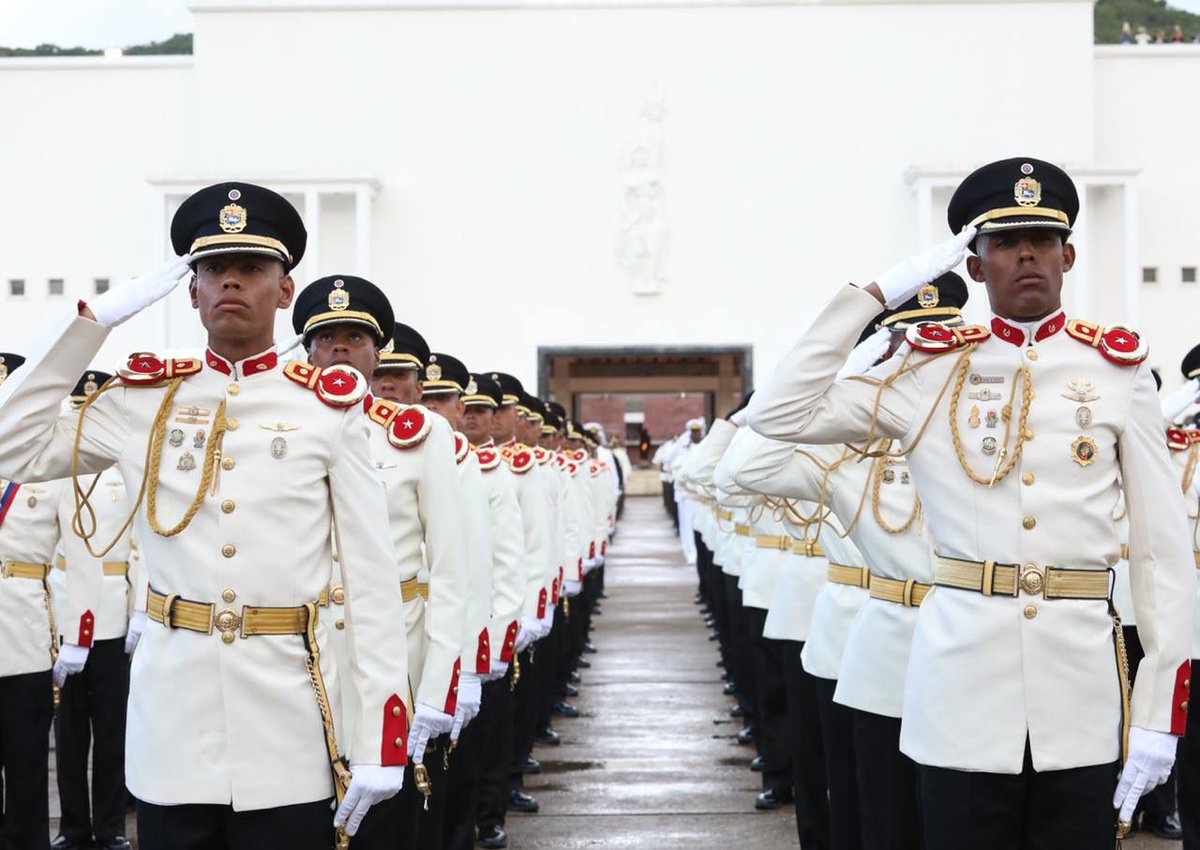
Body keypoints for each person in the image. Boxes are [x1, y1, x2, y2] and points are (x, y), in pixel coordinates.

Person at [748, 158, 1194, 847]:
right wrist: (874, 298)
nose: (1026, 256)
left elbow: (1163, 554)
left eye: (1042, 242)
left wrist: (1161, 710)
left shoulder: (1116, 371)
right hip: (958, 691)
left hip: (1078, 695)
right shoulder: (928, 369)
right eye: (1006, 242)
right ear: (975, 264)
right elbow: (776, 414)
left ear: (1068, 256)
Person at [0, 184, 412, 849]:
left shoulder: (328, 410)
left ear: (284, 290)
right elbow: (8, 445)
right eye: (214, 269)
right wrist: (88, 326)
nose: (230, 281)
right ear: (191, 291)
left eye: (251, 268)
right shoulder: (143, 400)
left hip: (289, 725)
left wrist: (380, 739)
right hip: (173, 728)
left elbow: (370, 584)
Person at [296, 290, 466, 850]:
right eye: (325, 339)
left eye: (356, 339)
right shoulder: (281, 425)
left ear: (378, 353)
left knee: (391, 822)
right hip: (303, 654)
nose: (340, 349)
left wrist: (441, 686)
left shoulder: (418, 434)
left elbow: (450, 567)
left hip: (398, 649)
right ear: (308, 352)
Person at [49, 371, 139, 850]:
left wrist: (140, 610)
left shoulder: (126, 465)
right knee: (68, 733)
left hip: (115, 613)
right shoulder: (59, 466)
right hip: (66, 615)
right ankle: (72, 826)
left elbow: (143, 545)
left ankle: (110, 827)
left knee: (111, 731)